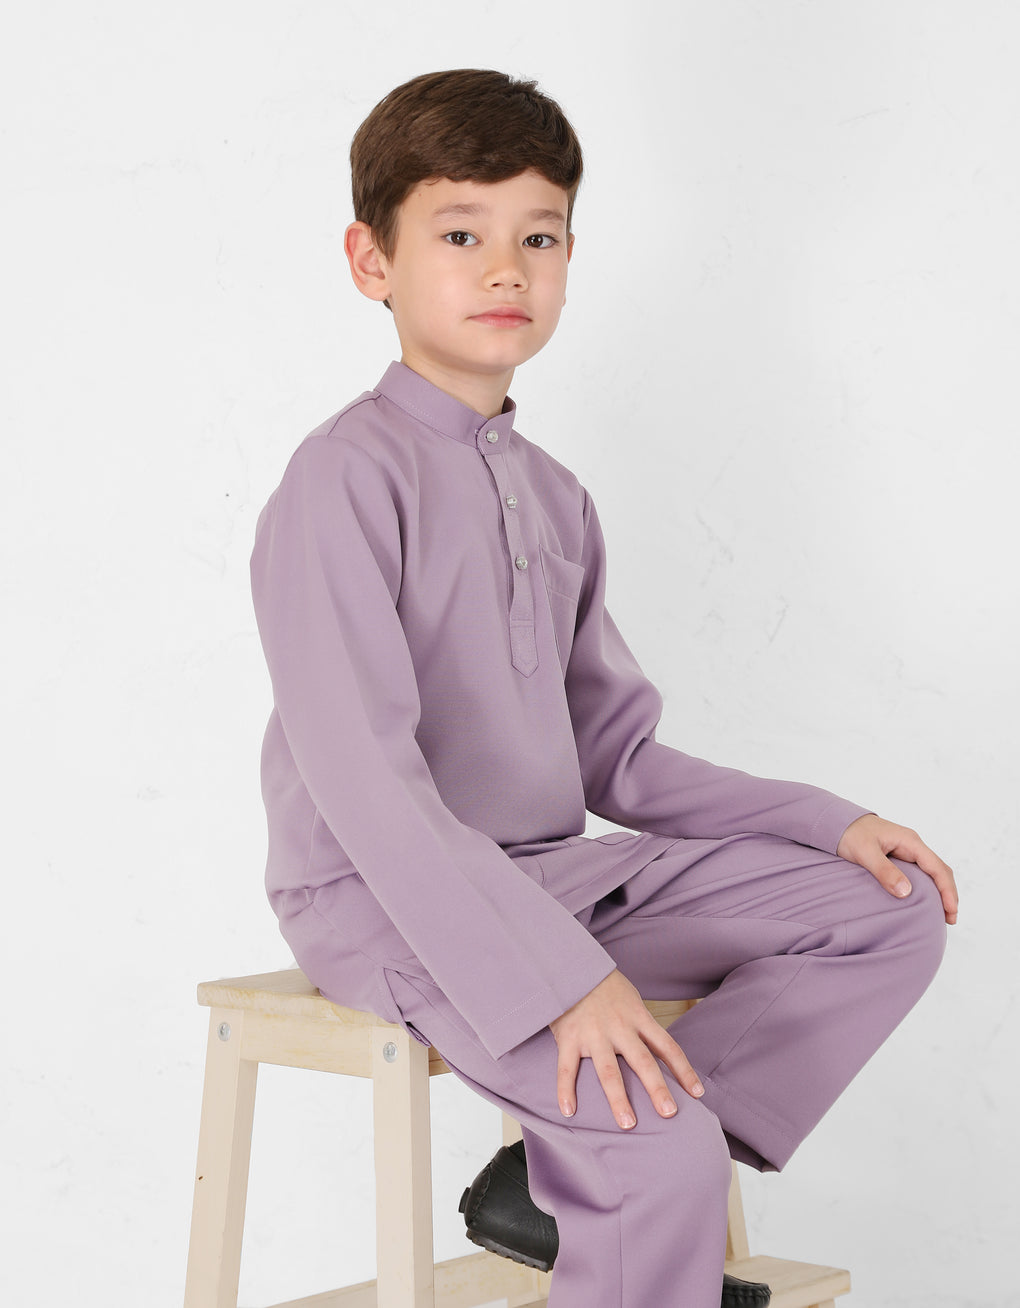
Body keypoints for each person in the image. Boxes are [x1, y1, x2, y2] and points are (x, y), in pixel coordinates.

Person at [249, 69, 957, 1308]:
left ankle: (572, 1184)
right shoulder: (342, 481)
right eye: (459, 236)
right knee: (649, 1146)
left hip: (552, 878)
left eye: (539, 238)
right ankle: (631, 1178)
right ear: (372, 262)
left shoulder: (555, 496)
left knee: (882, 909)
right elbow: (367, 786)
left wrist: (827, 821)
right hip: (383, 897)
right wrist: (563, 982)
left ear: (571, 259)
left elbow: (615, 758)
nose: (505, 268)